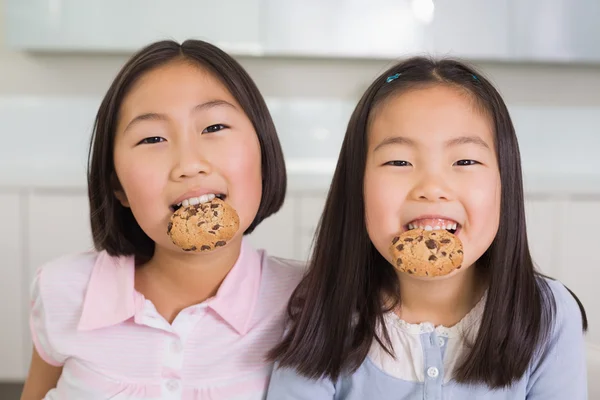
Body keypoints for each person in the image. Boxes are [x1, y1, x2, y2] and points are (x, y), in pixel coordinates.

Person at [267, 56, 588, 399]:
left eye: (465, 161)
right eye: (399, 161)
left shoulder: (547, 314)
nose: (432, 187)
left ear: (504, 183)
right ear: (355, 185)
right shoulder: (321, 311)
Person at [21, 39, 303, 400]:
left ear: (263, 152)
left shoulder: (311, 303)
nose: (188, 164)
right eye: (153, 138)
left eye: (214, 128)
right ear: (117, 186)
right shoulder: (62, 289)